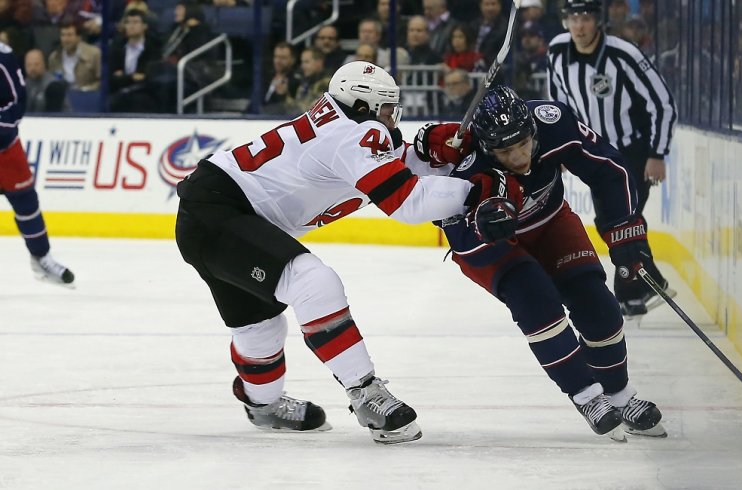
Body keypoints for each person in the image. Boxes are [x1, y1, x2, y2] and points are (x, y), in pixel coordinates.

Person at [174, 61, 500, 444]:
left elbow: (392, 163)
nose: (392, 118)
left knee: (262, 329)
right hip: (219, 214)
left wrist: (428, 148)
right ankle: (365, 392)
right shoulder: (352, 136)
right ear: (362, 107)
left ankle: (261, 405)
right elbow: (407, 200)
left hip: (213, 211)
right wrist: (477, 193)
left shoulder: (346, 127)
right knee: (313, 282)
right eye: (386, 109)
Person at [419, 86, 665, 439]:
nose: (519, 157)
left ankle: (620, 396)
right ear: (487, 147)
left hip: (551, 222)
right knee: (538, 304)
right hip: (493, 247)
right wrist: (482, 224)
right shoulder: (459, 166)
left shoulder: (552, 122)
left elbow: (610, 170)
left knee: (599, 307)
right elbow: (455, 234)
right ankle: (586, 394)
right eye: (506, 151)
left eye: (523, 144)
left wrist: (624, 229)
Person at [546, 0, 677, 318]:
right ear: (565, 21)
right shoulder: (557, 50)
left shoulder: (624, 53)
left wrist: (657, 154)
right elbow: (558, 103)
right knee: (614, 221)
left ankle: (631, 294)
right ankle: (653, 282)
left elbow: (662, 104)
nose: (579, 25)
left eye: (586, 17)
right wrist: (561, 146)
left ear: (598, 21)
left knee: (619, 221)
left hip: (631, 153)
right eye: (573, 17)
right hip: (594, 153)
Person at [0, 41, 74, 286]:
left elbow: (17, 100)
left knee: (26, 201)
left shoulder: (4, 56)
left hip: (4, 147)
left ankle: (41, 257)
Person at [47, 22, 101, 91]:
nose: (65, 39)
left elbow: (102, 81)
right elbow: (51, 82)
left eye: (69, 35)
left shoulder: (94, 54)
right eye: (63, 35)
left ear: (79, 37)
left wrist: (86, 90)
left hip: (88, 97)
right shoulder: (54, 57)